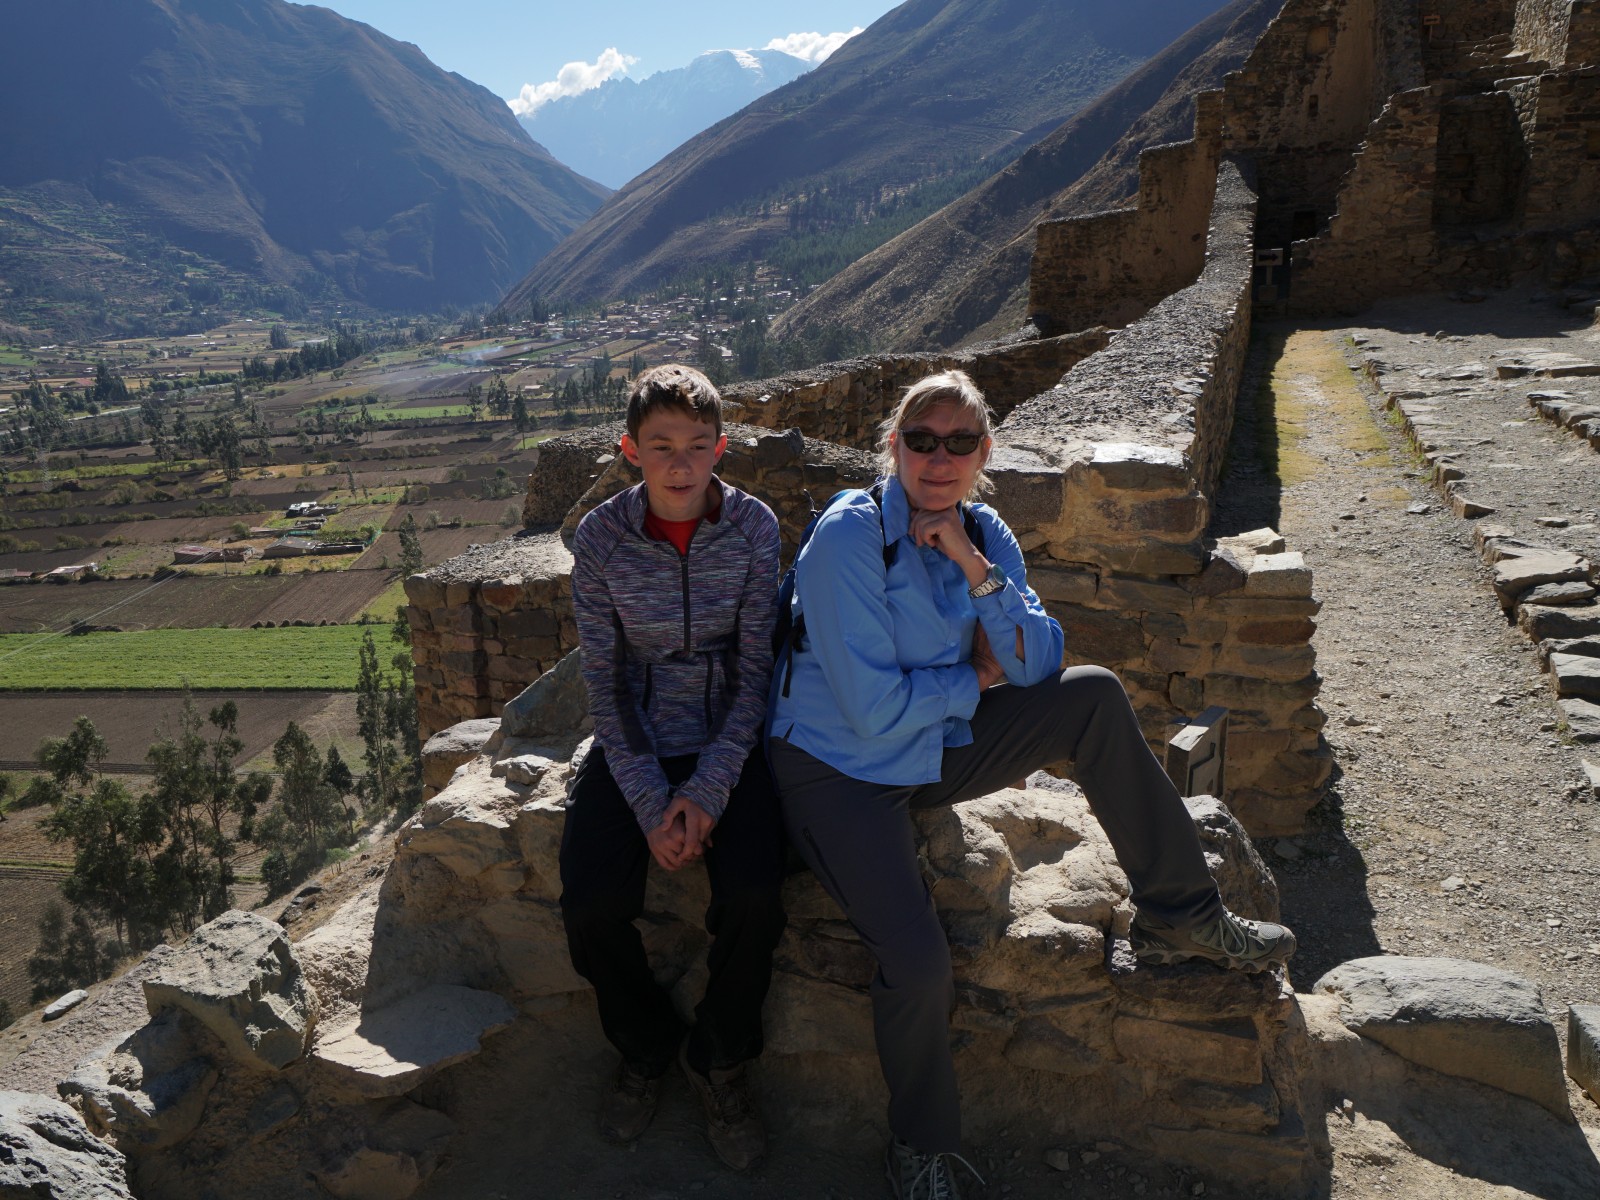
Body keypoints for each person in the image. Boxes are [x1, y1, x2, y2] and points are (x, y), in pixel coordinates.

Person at [766, 369, 1295, 1200]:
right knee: (917, 961)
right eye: (921, 439)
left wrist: (972, 565)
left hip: (931, 743)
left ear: (986, 452)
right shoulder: (848, 538)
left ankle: (1181, 913)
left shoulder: (983, 529)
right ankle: (921, 1147)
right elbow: (870, 714)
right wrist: (975, 684)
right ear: (894, 446)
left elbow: (1038, 661)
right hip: (841, 771)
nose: (939, 458)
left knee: (1093, 695)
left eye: (961, 442)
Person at [561, 364, 786, 1171]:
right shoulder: (601, 541)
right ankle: (647, 1044)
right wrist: (657, 800)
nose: (681, 464)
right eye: (661, 446)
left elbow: (758, 673)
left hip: (734, 736)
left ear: (721, 449)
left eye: (697, 445)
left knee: (757, 895)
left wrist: (709, 789)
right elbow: (606, 682)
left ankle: (719, 1058)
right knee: (588, 905)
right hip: (638, 741)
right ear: (630, 451)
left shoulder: (756, 531)